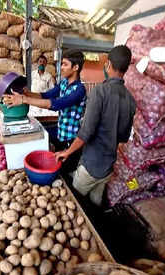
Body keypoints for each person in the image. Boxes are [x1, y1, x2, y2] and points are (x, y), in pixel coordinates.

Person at [55, 45, 136, 206]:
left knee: (73, 203)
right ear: (126, 68)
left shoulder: (100, 91)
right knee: (95, 202)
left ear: (109, 64)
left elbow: (86, 132)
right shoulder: (130, 99)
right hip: (108, 166)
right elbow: (124, 137)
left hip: (90, 165)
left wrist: (67, 152)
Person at [4, 49, 87, 173]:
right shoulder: (64, 83)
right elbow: (47, 95)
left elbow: (55, 104)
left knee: (66, 172)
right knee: (58, 166)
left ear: (75, 67)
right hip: (61, 134)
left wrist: (24, 99)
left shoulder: (80, 90)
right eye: (62, 64)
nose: (62, 68)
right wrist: (28, 93)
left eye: (65, 64)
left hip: (71, 140)